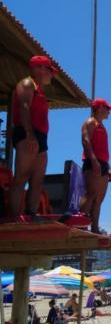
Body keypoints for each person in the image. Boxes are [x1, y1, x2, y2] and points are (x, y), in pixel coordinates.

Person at [9, 55, 58, 217]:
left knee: (37, 181)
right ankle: (14, 217)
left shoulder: (41, 91)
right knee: (21, 177)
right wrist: (30, 135)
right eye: (50, 70)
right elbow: (24, 108)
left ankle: (31, 214)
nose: (51, 75)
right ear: (40, 68)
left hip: (41, 137)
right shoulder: (27, 84)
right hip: (27, 133)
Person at [79, 98, 111, 234]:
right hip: (92, 162)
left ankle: (95, 227)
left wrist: (109, 168)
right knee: (91, 194)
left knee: (99, 198)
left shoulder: (102, 126)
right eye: (107, 109)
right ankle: (80, 224)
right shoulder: (90, 123)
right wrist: (94, 161)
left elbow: (102, 151)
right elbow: (85, 141)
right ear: (100, 108)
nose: (109, 112)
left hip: (103, 163)